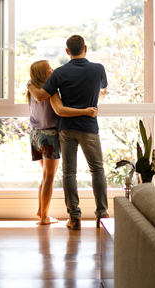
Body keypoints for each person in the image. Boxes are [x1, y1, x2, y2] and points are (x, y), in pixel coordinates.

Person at [26, 35, 108, 230]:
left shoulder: (59, 73)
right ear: (85, 48)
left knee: (68, 173)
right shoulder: (98, 69)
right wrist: (92, 103)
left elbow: (41, 96)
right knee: (97, 170)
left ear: (67, 51)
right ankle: (102, 214)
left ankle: (74, 217)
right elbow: (103, 91)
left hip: (65, 130)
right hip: (88, 127)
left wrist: (29, 84)